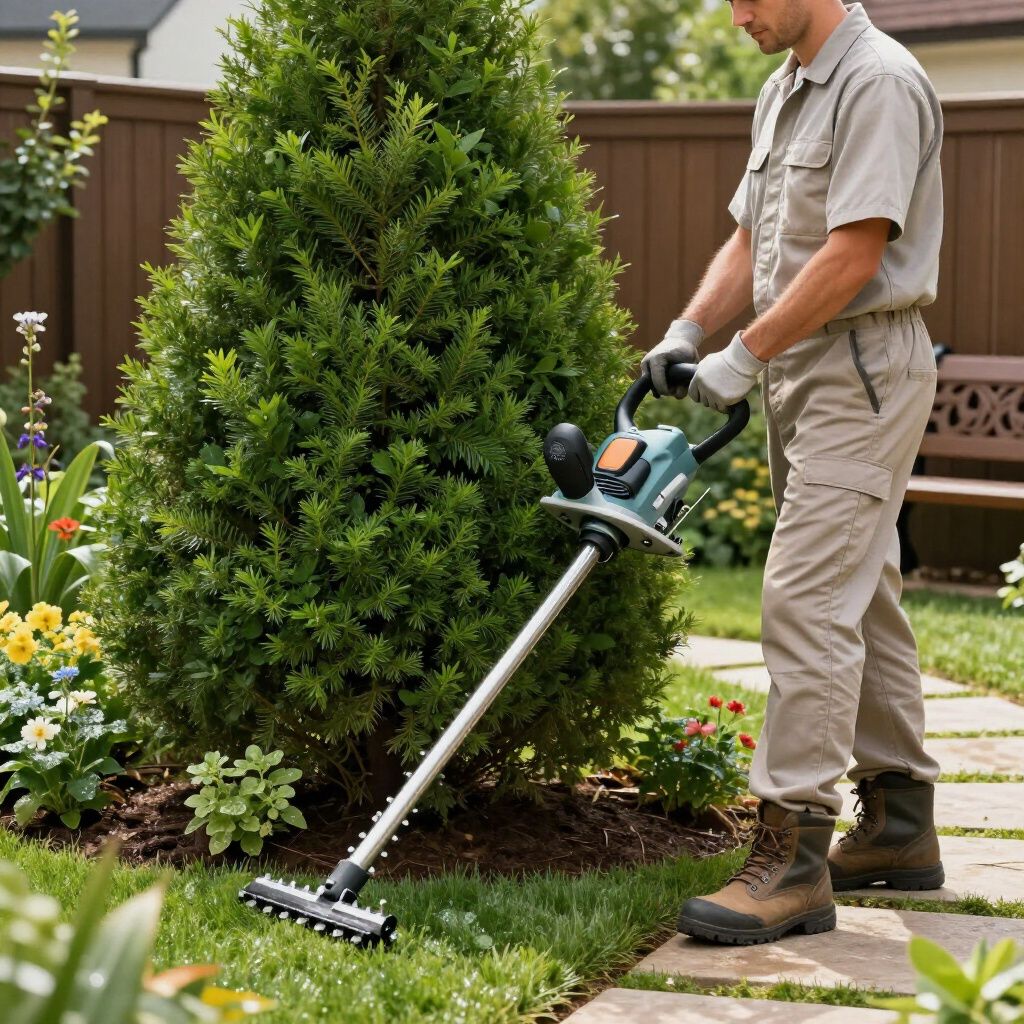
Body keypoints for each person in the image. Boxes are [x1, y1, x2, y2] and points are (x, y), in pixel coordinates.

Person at [642, 0, 946, 945]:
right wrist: (692, 331)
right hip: (807, 369)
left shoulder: (879, 81)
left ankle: (795, 857)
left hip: (861, 367)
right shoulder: (785, 89)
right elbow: (751, 241)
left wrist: (745, 354)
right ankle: (899, 827)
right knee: (863, 589)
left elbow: (854, 254)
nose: (733, 13)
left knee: (805, 599)